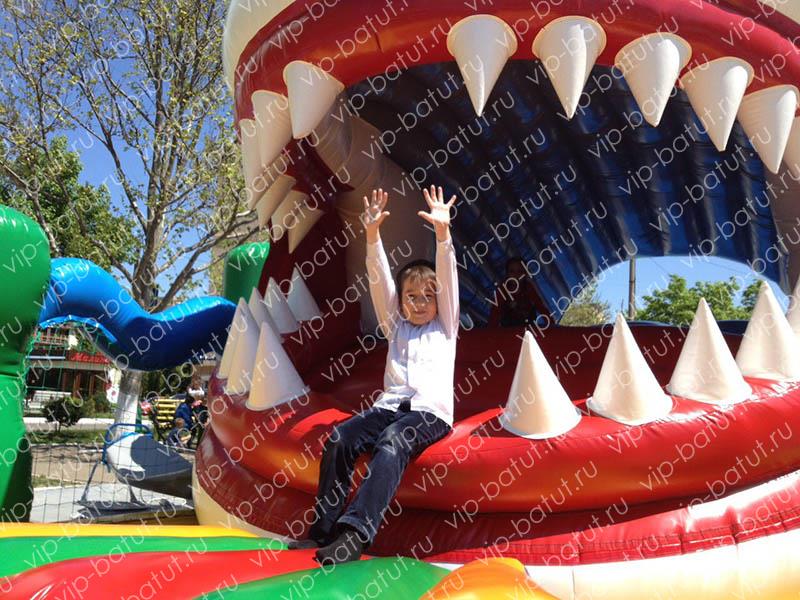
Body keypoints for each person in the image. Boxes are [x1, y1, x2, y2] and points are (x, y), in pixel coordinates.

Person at [288, 185, 459, 566]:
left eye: (428, 296)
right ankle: (322, 530)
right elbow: (380, 282)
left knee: (392, 443)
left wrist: (443, 235)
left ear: (439, 300)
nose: (419, 303)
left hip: (428, 414)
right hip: (388, 407)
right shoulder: (395, 327)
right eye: (411, 296)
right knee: (340, 438)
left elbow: (448, 279)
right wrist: (371, 236)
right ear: (401, 301)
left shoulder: (446, 326)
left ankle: (354, 535)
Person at [487, 257, 549, 327]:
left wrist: (551, 324)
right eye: (512, 271)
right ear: (507, 274)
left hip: (528, 327)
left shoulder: (528, 287)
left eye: (519, 271)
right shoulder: (503, 289)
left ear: (525, 274)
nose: (516, 275)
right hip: (508, 328)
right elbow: (495, 312)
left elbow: (540, 306)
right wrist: (491, 330)